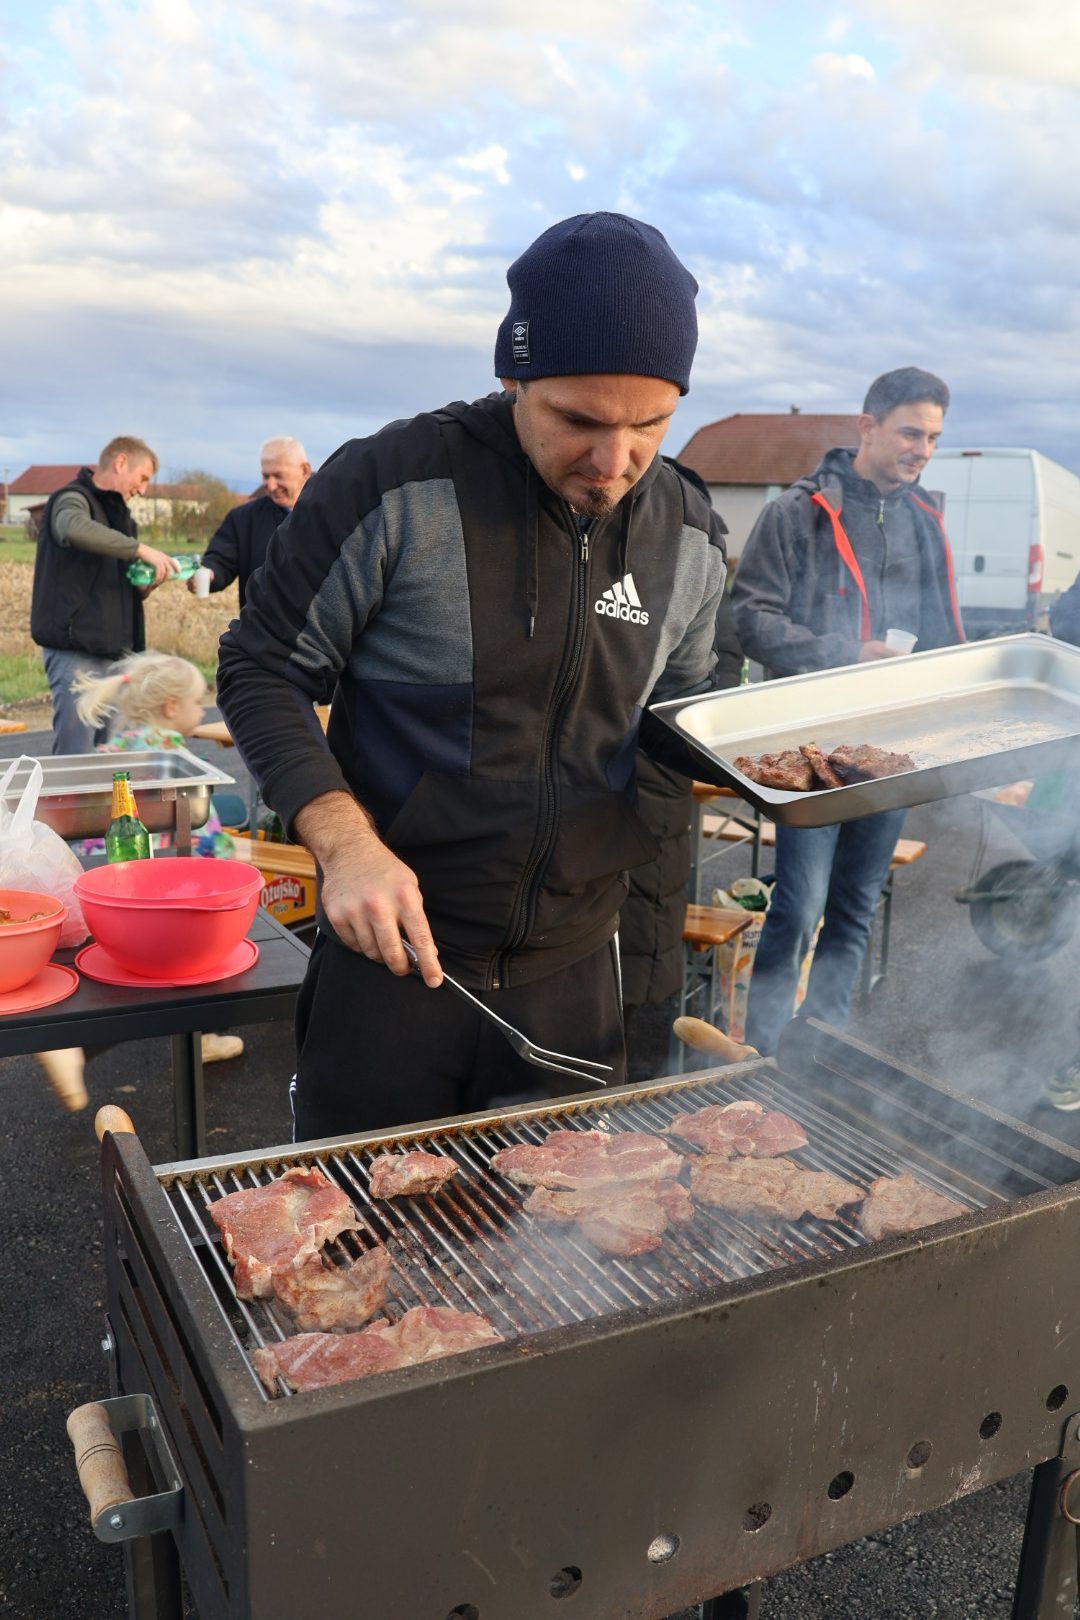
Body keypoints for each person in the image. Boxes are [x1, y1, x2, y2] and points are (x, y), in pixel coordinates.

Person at [216, 211, 728, 1141]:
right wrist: (343, 844)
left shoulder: (689, 536)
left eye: (650, 423)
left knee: (568, 1266)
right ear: (514, 375)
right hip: (393, 959)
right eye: (578, 420)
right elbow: (260, 668)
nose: (614, 464)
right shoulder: (391, 487)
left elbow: (672, 736)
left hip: (575, 972)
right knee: (356, 1250)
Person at [731, 367, 964, 1056]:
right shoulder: (798, 511)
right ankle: (765, 1052)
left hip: (887, 752)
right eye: (910, 432)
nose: (922, 449)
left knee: (856, 909)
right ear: (866, 426)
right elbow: (748, 619)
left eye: (934, 438)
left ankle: (823, 1045)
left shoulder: (926, 520)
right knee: (800, 908)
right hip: (810, 754)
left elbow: (948, 639)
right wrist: (846, 654)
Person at [34, 652, 244, 1111]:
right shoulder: (171, 762)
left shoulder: (119, 747)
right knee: (192, 960)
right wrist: (235, 856)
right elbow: (204, 845)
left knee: (118, 972)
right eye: (196, 703)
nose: (201, 713)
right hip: (151, 890)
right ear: (170, 707)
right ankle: (193, 1036)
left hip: (101, 880)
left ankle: (78, 1040)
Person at [30, 436, 179, 754]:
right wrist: (139, 549)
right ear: (121, 462)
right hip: (77, 655)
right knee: (77, 756)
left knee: (110, 758)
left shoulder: (123, 520)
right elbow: (73, 528)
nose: (142, 489)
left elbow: (113, 586)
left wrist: (143, 585)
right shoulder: (71, 499)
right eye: (142, 478)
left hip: (117, 655)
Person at [193, 437, 313, 609]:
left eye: (279, 476)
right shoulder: (243, 519)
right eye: (266, 476)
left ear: (304, 470)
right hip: (260, 631)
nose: (271, 486)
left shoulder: (333, 512)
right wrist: (209, 573)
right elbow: (220, 560)